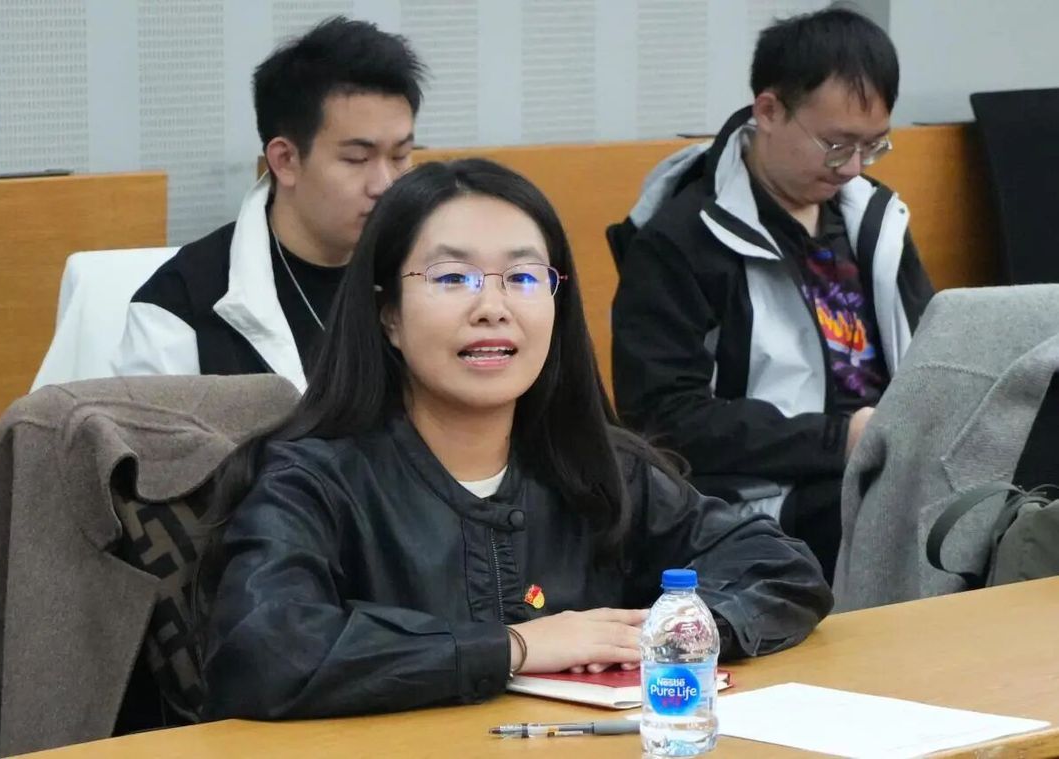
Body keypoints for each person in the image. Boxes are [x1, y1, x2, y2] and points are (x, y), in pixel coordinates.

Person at [199, 158, 832, 721]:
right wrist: (517, 647)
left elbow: (781, 569)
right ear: (388, 312)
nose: (493, 307)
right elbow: (265, 651)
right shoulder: (307, 479)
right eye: (453, 278)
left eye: (524, 279)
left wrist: (666, 633)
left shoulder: (598, 469)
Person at [610, 8, 933, 582]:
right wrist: (839, 439)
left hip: (882, 459)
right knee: (906, 527)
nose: (853, 169)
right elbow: (662, 420)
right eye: (837, 144)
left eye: (873, 146)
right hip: (754, 494)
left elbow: (932, 351)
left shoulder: (874, 220)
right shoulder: (680, 240)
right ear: (769, 110)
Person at [112, 17, 426, 391]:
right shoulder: (179, 308)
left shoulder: (429, 267)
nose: (385, 184)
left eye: (400, 156)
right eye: (357, 159)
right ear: (285, 160)